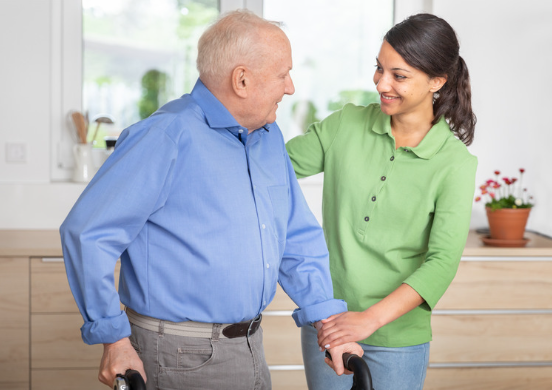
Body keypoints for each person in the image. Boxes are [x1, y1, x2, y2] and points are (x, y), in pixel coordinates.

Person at [60, 9, 363, 390]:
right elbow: (87, 232)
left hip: (250, 346)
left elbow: (296, 239)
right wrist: (114, 339)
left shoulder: (267, 138)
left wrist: (328, 323)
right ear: (241, 80)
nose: (291, 88)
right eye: (282, 74)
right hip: (178, 355)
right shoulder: (167, 135)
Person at [285, 13, 478, 390]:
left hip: (398, 340)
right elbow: (272, 169)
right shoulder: (346, 124)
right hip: (329, 324)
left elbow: (441, 262)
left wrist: (369, 319)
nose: (381, 84)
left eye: (399, 75)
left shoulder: (454, 163)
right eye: (379, 68)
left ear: (437, 82)